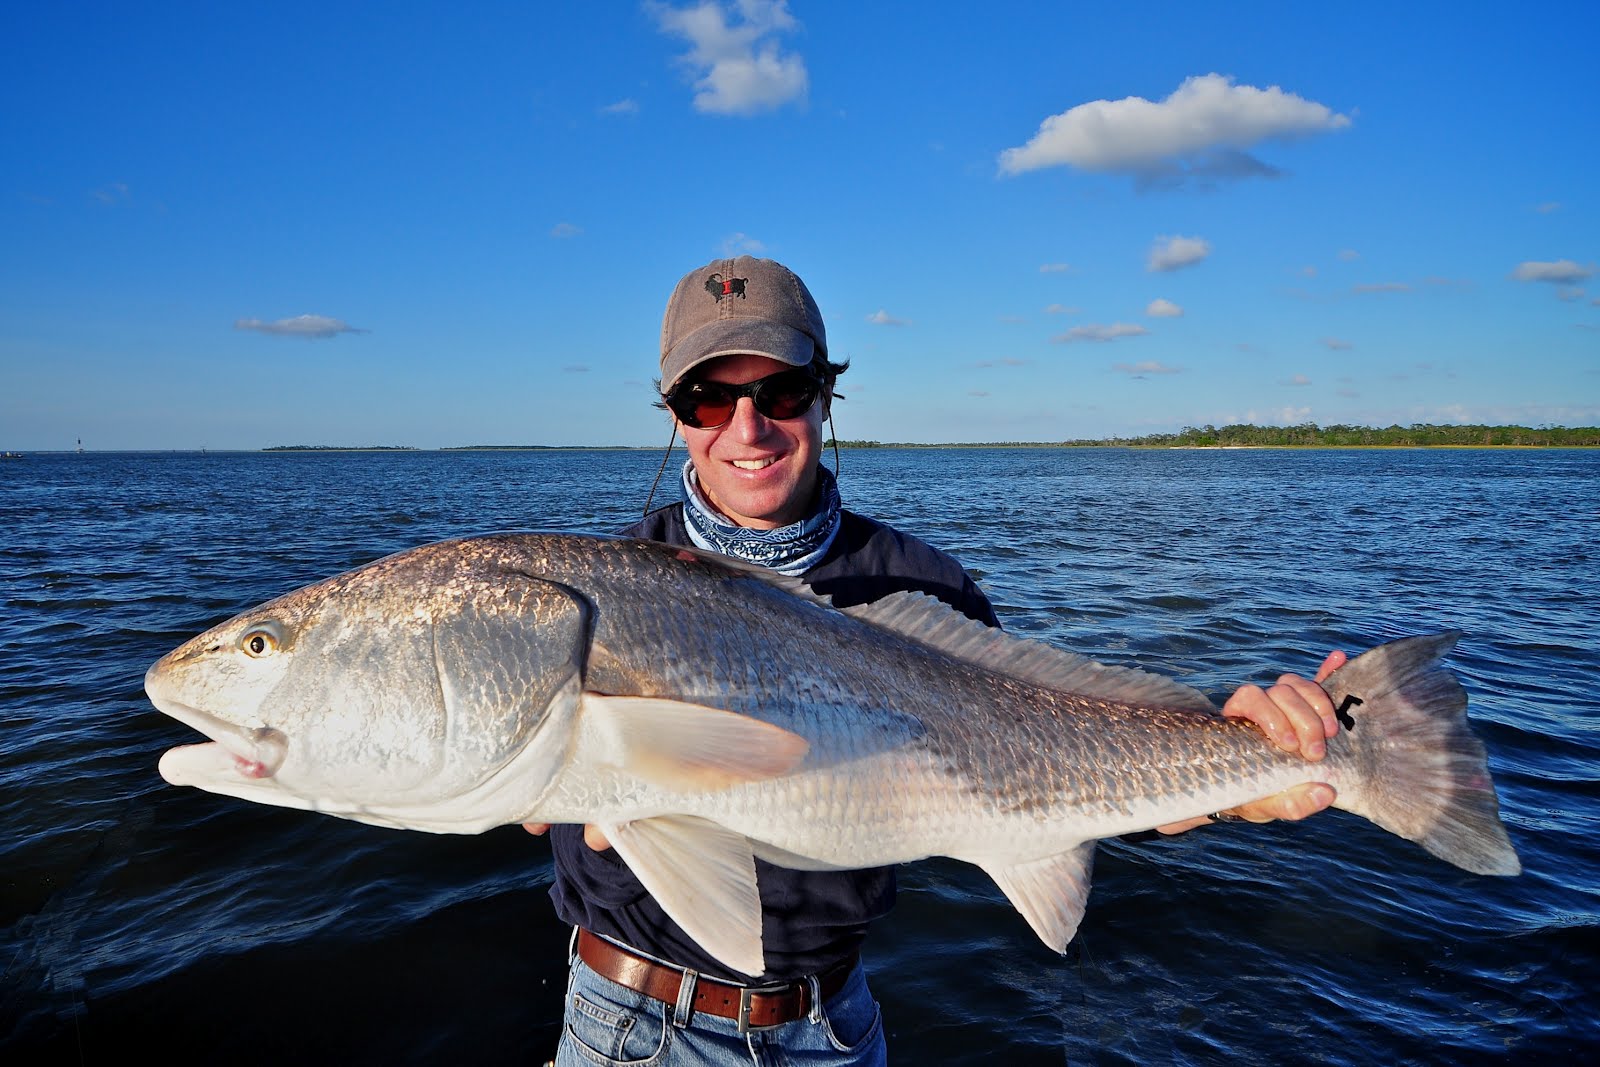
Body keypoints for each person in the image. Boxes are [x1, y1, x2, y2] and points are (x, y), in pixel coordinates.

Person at [527, 256, 1342, 1066]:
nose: (748, 428)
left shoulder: (924, 586)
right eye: (709, 397)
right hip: (628, 1024)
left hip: (836, 1026)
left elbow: (1061, 772)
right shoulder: (587, 596)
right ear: (675, 415)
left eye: (781, 391)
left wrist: (1249, 771)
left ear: (825, 394)